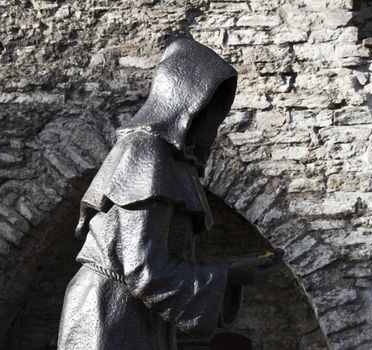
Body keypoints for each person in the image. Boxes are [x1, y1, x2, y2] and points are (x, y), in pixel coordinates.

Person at [58, 36, 280, 350]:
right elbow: (142, 268)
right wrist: (228, 272)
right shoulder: (146, 150)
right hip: (108, 312)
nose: (210, 125)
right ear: (185, 103)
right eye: (207, 110)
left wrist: (229, 273)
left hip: (129, 308)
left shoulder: (165, 157)